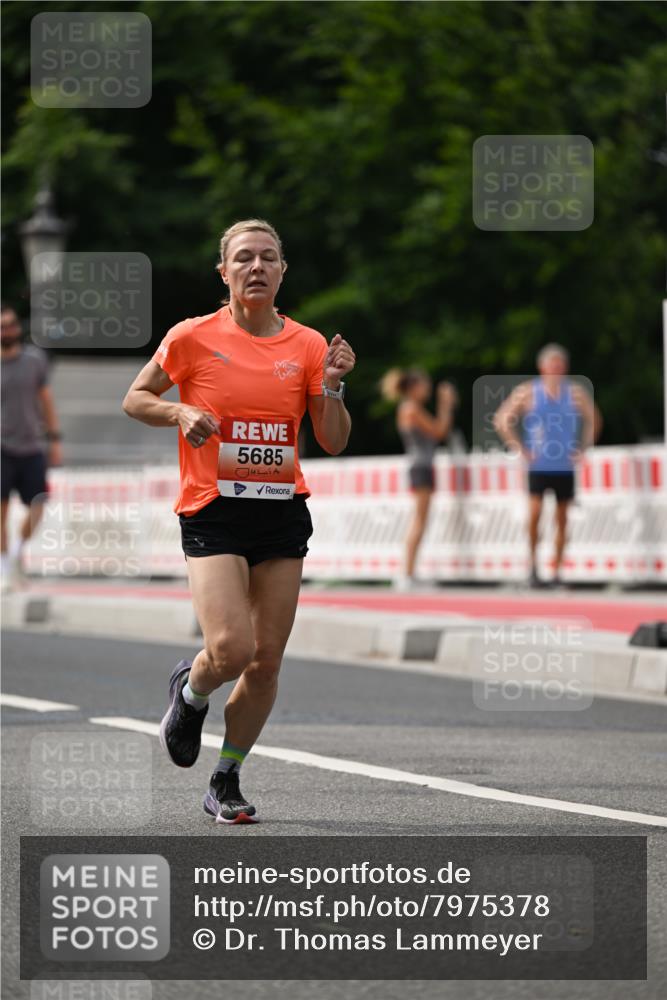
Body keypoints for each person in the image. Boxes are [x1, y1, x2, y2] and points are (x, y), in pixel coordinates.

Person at [123, 219, 355, 824]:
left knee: (267, 660)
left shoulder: (306, 344)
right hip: (213, 510)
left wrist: (332, 387)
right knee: (230, 648)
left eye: (269, 258)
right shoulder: (193, 337)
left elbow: (330, 440)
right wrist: (178, 411)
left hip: (280, 513)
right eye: (245, 258)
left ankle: (225, 778)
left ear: (282, 272)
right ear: (223, 272)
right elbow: (136, 398)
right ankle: (191, 691)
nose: (257, 267)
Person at [493, 343, 602, 588]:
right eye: (551, 365)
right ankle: (533, 568)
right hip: (538, 464)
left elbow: (595, 419)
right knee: (534, 514)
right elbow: (502, 420)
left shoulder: (575, 392)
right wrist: (520, 448)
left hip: (564, 464)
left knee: (562, 518)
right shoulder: (529, 392)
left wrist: (583, 447)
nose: (555, 369)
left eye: (559, 365)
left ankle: (557, 571)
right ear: (542, 367)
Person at [1, 304, 62, 588]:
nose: (9, 331)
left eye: (11, 324)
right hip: (2, 446)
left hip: (32, 445)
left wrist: (55, 439)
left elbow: (45, 399)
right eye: (3, 327)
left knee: (38, 505)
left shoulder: (34, 360)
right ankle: (4, 569)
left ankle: (15, 554)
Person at [381, 368, 457, 589]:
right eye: (424, 385)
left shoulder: (411, 408)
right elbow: (439, 431)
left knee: (421, 520)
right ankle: (407, 574)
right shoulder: (411, 409)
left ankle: (410, 572)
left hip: (422, 466)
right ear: (413, 387)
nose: (427, 390)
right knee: (419, 520)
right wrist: (446, 406)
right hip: (421, 467)